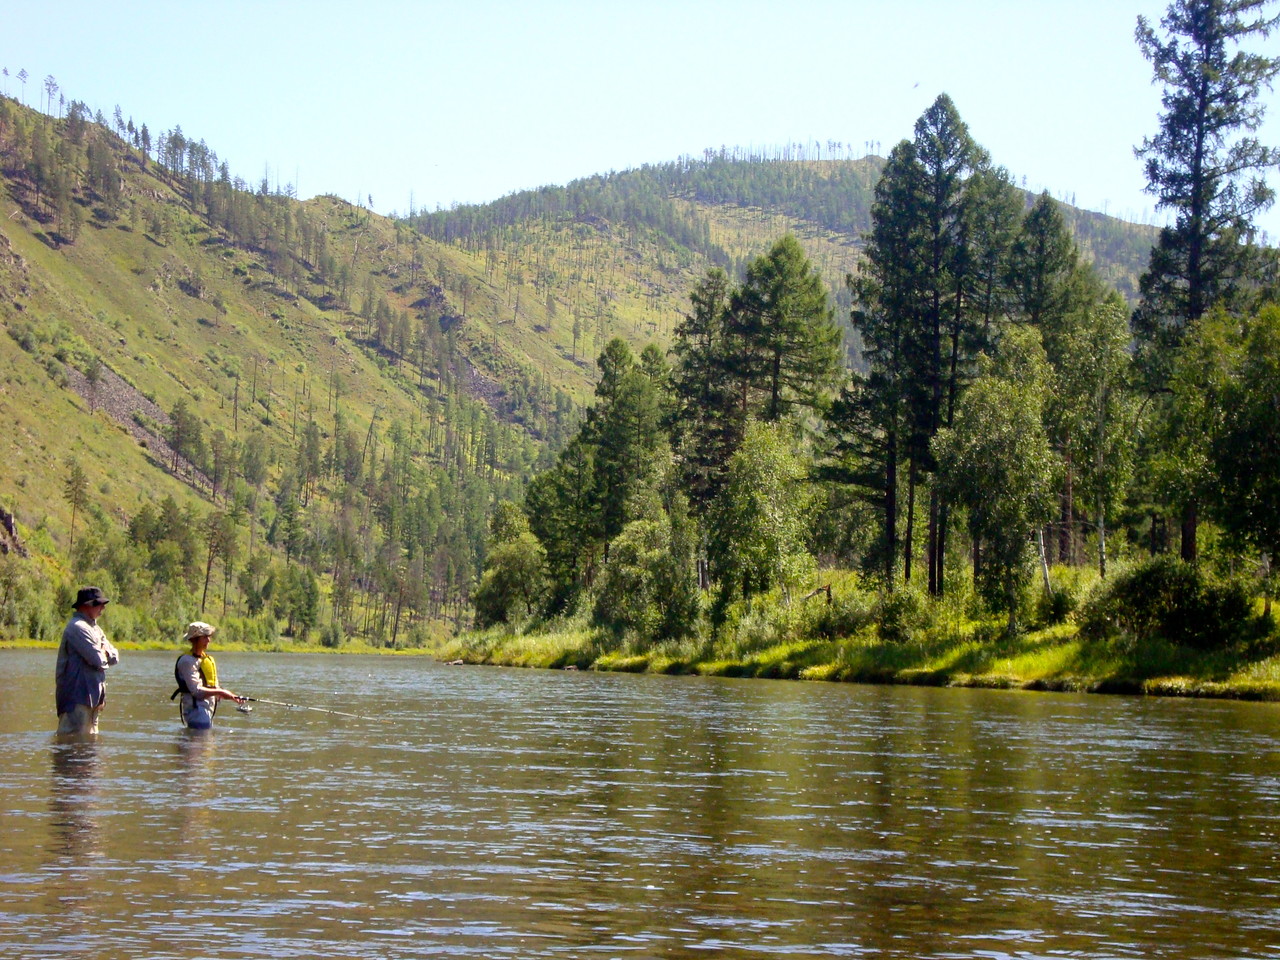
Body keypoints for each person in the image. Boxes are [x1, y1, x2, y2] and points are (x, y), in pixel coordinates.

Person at [55, 587, 120, 736]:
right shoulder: (77, 627)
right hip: (76, 700)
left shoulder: (95, 628)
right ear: (86, 605)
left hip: (92, 701)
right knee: (72, 745)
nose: (103, 608)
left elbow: (115, 657)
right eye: (99, 604)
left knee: (88, 749)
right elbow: (99, 660)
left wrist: (103, 650)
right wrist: (103, 651)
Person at [172, 621, 244, 729]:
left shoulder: (206, 659)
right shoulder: (187, 661)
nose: (209, 640)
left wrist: (231, 696)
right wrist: (221, 692)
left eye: (209, 636)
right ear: (195, 639)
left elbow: (212, 687)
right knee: (201, 743)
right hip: (196, 713)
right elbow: (197, 692)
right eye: (205, 637)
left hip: (206, 712)